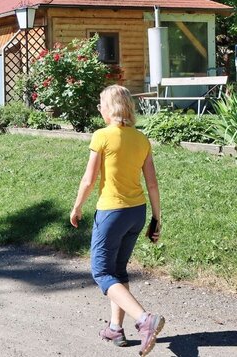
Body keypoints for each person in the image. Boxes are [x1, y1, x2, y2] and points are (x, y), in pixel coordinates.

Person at [69, 85, 164, 355]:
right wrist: (156, 219)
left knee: (101, 272)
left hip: (111, 212)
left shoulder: (102, 136)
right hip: (137, 212)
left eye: (101, 104)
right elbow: (152, 183)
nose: (99, 109)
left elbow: (89, 180)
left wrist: (77, 207)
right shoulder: (141, 139)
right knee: (118, 271)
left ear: (110, 109)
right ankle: (115, 328)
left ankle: (145, 320)